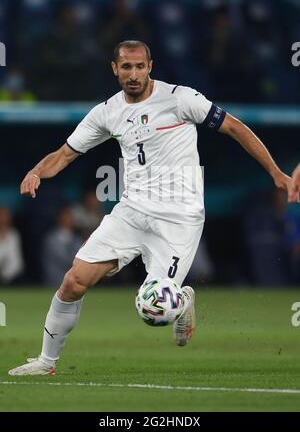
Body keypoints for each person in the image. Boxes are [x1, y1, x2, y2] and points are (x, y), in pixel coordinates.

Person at [9, 40, 290, 376]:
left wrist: (275, 172)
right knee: (73, 281)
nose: (133, 73)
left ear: (150, 66)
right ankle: (46, 362)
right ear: (115, 69)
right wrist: (36, 171)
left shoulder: (180, 98)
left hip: (178, 219)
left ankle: (180, 300)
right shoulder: (107, 112)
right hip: (131, 213)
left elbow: (235, 128)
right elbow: (65, 153)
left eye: (139, 66)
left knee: (155, 309)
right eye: (126, 67)